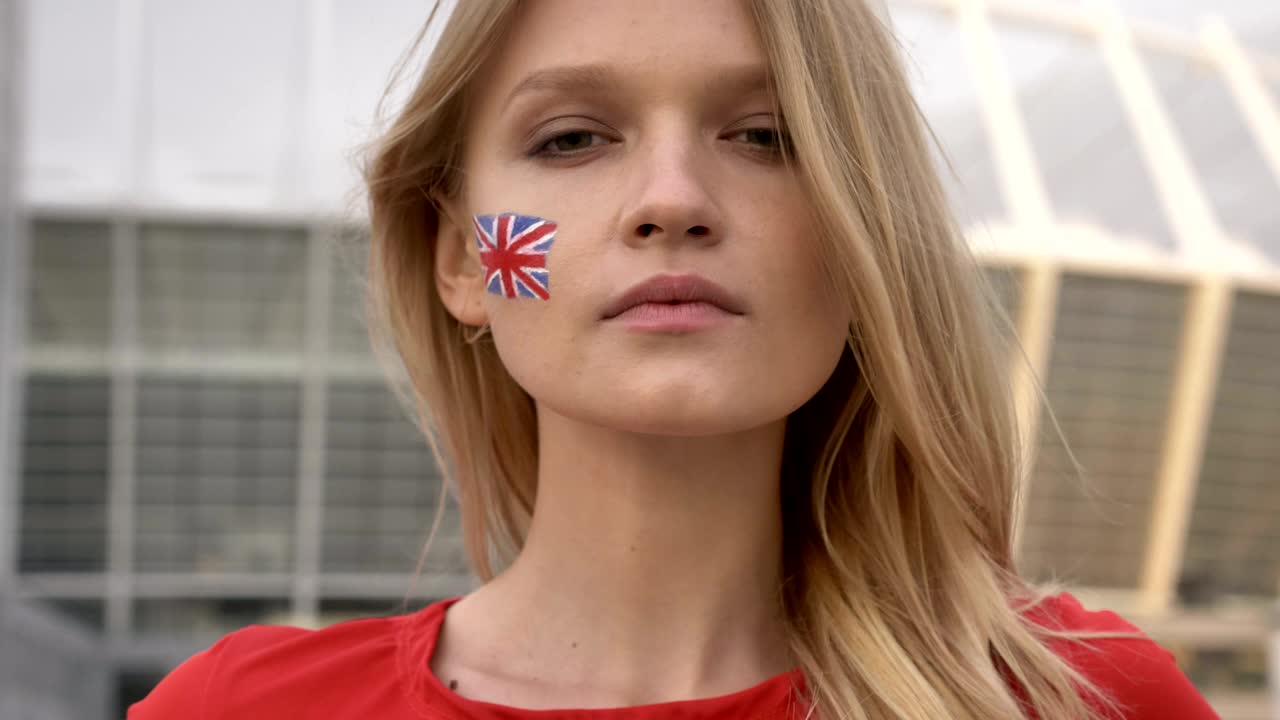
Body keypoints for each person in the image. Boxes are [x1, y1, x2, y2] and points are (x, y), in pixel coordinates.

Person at [130, 0, 1221, 718]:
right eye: (570, 138)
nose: (670, 201)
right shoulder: (239, 710)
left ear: (862, 239)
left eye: (765, 137)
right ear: (462, 259)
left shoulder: (1078, 700)